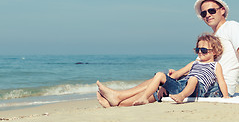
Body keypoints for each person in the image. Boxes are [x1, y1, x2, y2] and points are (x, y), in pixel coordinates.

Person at [97, 34, 229, 107]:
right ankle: (142, 98)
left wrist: (226, 96)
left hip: (196, 89)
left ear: (215, 52)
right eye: (197, 50)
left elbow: (221, 81)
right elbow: (178, 74)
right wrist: (172, 74)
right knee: (160, 75)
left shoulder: (215, 66)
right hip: (182, 85)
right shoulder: (194, 63)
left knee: (193, 79)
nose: (200, 52)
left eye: (204, 50)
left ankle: (181, 97)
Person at [194, 0, 239, 99]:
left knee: (162, 85)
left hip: (220, 87)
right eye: (204, 13)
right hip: (203, 83)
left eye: (211, 11)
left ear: (222, 10)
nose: (207, 15)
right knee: (162, 79)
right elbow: (199, 65)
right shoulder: (210, 39)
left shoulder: (232, 27)